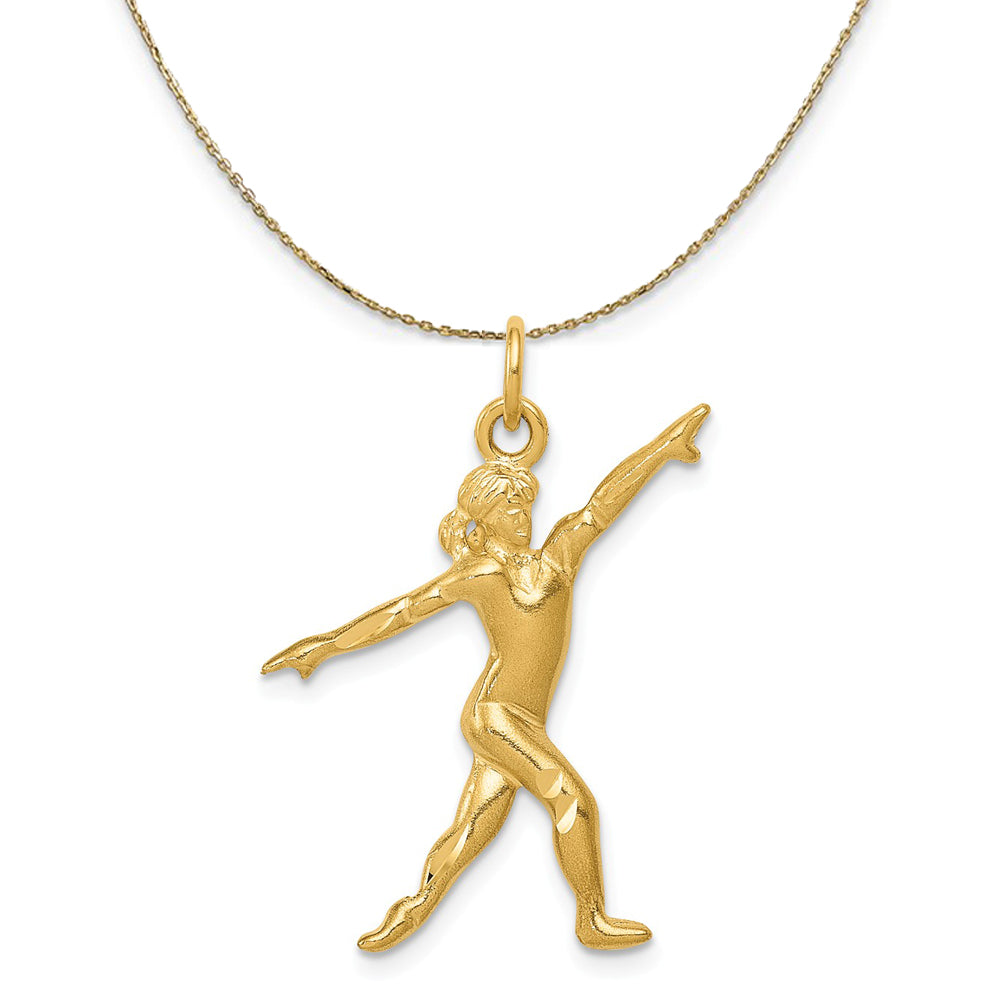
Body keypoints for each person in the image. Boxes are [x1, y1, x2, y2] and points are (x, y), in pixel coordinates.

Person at [263, 403, 710, 951]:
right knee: (571, 799)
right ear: (486, 517)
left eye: (526, 507)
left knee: (472, 832)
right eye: (509, 509)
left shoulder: (559, 557)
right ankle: (591, 918)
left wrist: (664, 448)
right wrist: (326, 646)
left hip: (526, 720)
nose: (523, 518)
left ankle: (410, 913)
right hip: (494, 715)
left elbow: (603, 503)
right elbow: (402, 611)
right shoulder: (483, 572)